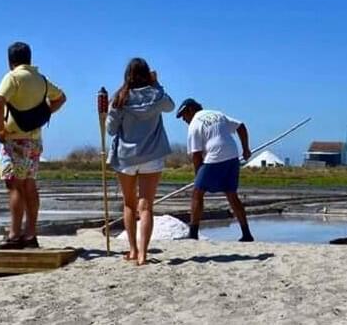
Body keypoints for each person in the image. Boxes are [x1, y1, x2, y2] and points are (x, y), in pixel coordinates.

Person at [0, 42, 66, 249]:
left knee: (14, 185)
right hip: (34, 140)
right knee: (29, 184)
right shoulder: (41, 79)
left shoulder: (13, 77)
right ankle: (31, 234)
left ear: (10, 60)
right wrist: (43, 114)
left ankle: (15, 235)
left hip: (14, 139)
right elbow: (61, 98)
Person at [106, 58, 174, 265]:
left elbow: (110, 129)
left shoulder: (120, 97)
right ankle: (144, 253)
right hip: (152, 155)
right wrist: (157, 84)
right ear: (148, 74)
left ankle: (133, 250)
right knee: (146, 206)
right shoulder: (156, 95)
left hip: (126, 156)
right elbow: (171, 106)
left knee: (129, 203)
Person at [176, 99, 254, 241]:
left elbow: (196, 155)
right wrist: (245, 148)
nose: (184, 120)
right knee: (231, 194)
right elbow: (241, 126)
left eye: (183, 116)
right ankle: (246, 234)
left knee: (197, 193)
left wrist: (198, 178)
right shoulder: (217, 114)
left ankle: (193, 234)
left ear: (190, 110)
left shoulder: (194, 124)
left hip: (215, 155)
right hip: (232, 155)